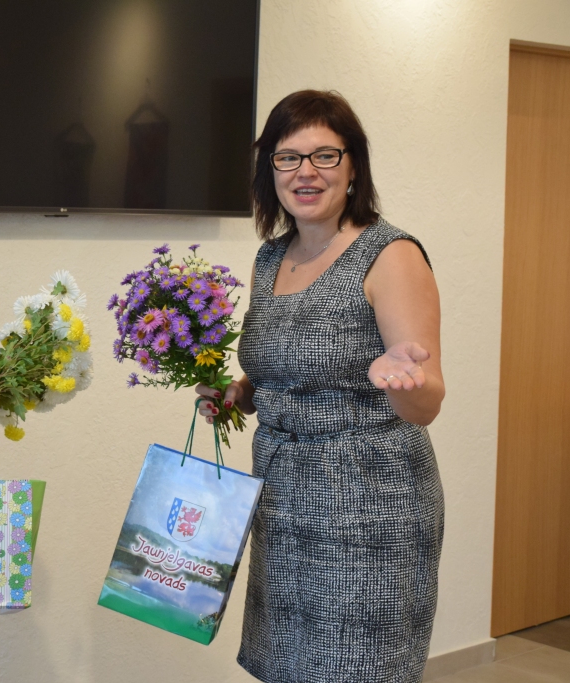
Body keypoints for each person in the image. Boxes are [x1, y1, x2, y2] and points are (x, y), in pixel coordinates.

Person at [197, 90, 444, 683]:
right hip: (282, 495)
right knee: (286, 665)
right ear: (270, 170)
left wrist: (401, 378)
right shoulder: (270, 258)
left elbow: (426, 400)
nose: (306, 172)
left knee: (352, 669)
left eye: (325, 155)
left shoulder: (391, 255)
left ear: (353, 165)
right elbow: (277, 372)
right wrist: (237, 394)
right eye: (288, 157)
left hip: (368, 500)